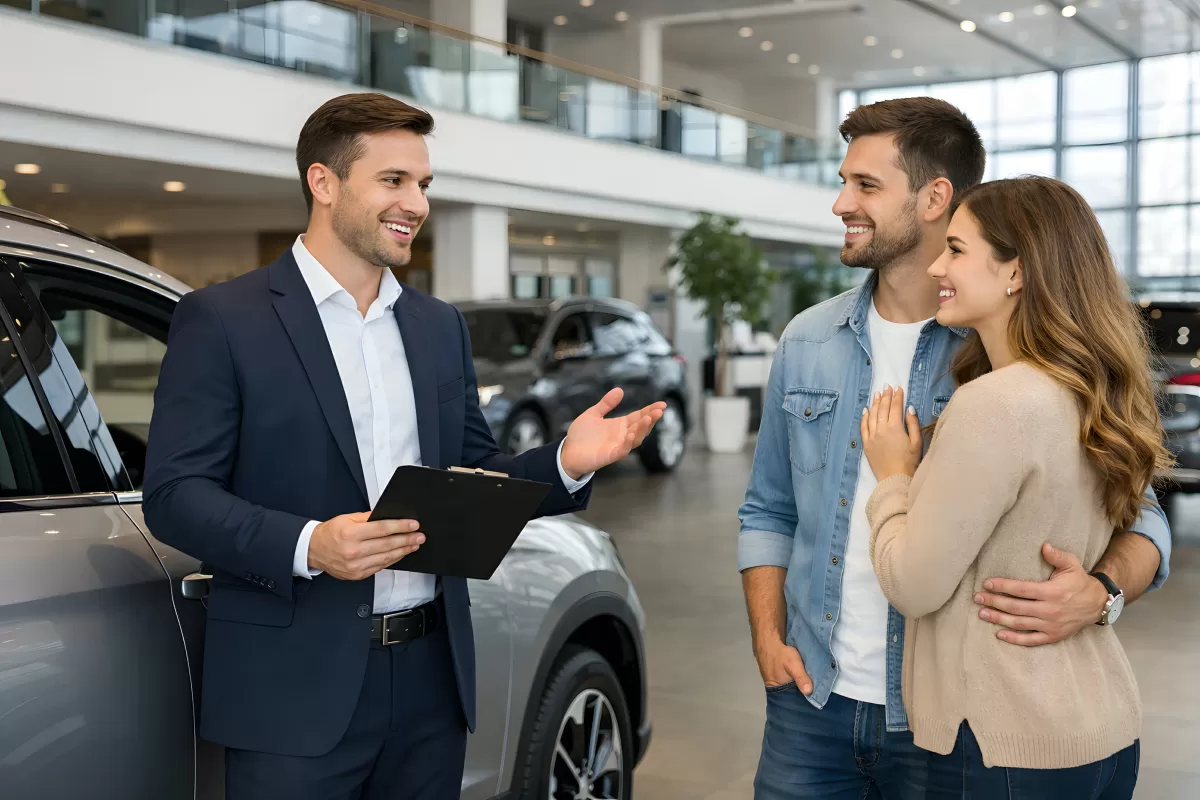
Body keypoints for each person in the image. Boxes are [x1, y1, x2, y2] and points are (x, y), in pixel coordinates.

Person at [142, 92, 665, 800]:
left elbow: (474, 474)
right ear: (324, 183)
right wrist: (310, 545)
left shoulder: (437, 326)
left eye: (423, 184)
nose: (416, 204)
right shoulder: (223, 319)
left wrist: (566, 461)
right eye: (393, 180)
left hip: (429, 684)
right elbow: (175, 496)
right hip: (292, 690)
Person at [737, 97, 1172, 799]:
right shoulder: (807, 341)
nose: (841, 203)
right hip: (812, 696)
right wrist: (767, 637)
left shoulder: (1001, 352)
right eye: (844, 181)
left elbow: (1139, 514)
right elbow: (769, 508)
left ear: (935, 197)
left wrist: (1101, 593)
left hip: (945, 718)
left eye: (866, 185)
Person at [859, 175, 1165, 796]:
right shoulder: (1092, 392)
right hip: (1101, 735)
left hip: (1001, 748)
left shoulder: (993, 405)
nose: (937, 266)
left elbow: (912, 585)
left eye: (956, 249)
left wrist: (893, 477)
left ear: (1016, 272)